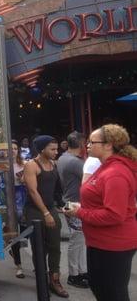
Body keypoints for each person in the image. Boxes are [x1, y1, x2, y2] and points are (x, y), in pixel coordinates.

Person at [65, 124, 137, 301]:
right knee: (100, 287)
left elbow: (114, 215)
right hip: (100, 242)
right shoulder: (105, 167)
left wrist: (80, 212)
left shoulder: (115, 173)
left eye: (92, 142)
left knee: (113, 293)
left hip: (113, 244)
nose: (87, 145)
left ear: (108, 145)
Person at [23, 135, 68, 298]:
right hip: (35, 211)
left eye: (57, 149)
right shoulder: (31, 165)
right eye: (53, 149)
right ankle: (41, 280)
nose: (56, 152)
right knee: (39, 248)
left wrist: (62, 206)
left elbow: (57, 190)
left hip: (50, 208)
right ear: (42, 149)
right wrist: (46, 213)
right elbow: (33, 192)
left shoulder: (53, 164)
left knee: (55, 246)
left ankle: (54, 279)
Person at [57, 131, 89, 289]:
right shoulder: (76, 162)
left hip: (69, 201)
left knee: (80, 240)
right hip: (76, 203)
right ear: (82, 143)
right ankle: (74, 275)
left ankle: (81, 271)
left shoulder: (63, 158)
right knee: (77, 240)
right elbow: (92, 179)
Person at [10, 140, 27, 278]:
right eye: (11, 148)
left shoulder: (24, 164)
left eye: (15, 148)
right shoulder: (3, 165)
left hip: (23, 195)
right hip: (9, 197)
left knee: (26, 230)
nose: (13, 150)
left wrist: (24, 180)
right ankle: (19, 265)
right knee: (14, 231)